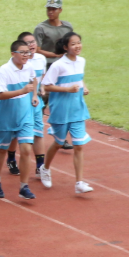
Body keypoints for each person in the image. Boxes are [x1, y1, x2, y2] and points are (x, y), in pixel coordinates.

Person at [39, 33, 93, 194]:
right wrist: (67, 89)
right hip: (61, 110)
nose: (77, 46)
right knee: (58, 143)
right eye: (73, 43)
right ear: (65, 47)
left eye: (79, 43)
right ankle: (45, 168)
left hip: (77, 109)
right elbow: (46, 85)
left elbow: (79, 78)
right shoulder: (58, 65)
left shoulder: (81, 61)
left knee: (79, 145)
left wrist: (84, 86)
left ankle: (79, 182)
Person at [0, 40, 38, 200]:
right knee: (2, 150)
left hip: (25, 116)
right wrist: (22, 90)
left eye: (28, 52)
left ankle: (24, 186)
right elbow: (0, 95)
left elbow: (34, 79)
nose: (26, 55)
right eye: (22, 52)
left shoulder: (29, 67)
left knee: (25, 150)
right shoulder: (4, 70)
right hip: (6, 118)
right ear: (13, 54)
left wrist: (35, 95)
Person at [33, 0, 73, 69]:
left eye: (54, 9)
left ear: (60, 10)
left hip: (65, 63)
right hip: (47, 64)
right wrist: (56, 55)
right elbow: (36, 50)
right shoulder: (40, 28)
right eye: (49, 9)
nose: (50, 12)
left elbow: (71, 44)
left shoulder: (68, 27)